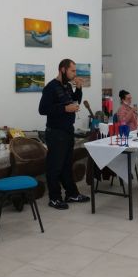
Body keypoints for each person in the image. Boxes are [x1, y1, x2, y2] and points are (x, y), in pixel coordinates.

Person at [39, 59, 90, 210]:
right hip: (55, 132)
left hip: (68, 131)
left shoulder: (67, 86)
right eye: (72, 71)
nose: (75, 74)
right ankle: (54, 198)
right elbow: (42, 109)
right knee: (55, 167)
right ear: (62, 69)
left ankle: (71, 194)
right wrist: (64, 109)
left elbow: (74, 102)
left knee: (67, 165)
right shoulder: (50, 87)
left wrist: (79, 89)